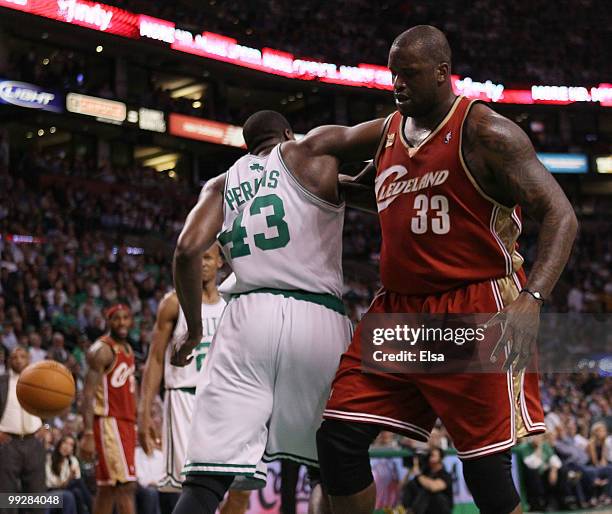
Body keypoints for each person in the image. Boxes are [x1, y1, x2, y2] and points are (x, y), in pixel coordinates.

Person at [274, 25, 578, 514]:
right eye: (393, 75)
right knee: (337, 440)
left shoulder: (487, 132)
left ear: (442, 73)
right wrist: (291, 176)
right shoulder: (390, 131)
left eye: (409, 75)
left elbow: (561, 215)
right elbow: (386, 198)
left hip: (474, 309)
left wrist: (533, 297)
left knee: (486, 478)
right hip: (400, 311)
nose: (398, 85)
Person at [170, 110, 354, 514]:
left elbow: (186, 250)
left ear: (247, 148)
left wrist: (195, 329)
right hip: (317, 317)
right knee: (329, 470)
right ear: (289, 134)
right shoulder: (309, 156)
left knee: (205, 480)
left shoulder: (222, 183)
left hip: (247, 316)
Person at [138, 249, 249, 513]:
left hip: (226, 401)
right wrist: (143, 411)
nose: (201, 264)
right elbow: (154, 359)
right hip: (184, 399)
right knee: (191, 490)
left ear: (221, 261)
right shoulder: (173, 302)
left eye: (207, 258)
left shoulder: (232, 302)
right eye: (196, 258)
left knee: (241, 487)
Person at [79, 304, 137, 514]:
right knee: (125, 486)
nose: (121, 323)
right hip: (109, 422)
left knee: (107, 488)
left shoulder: (128, 349)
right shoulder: (102, 350)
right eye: (116, 318)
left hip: (125, 422)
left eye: (125, 318)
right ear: (108, 321)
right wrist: (87, 432)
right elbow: (87, 394)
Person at [0, 346, 48, 514]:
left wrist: (46, 427)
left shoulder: (38, 382)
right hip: (8, 443)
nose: (18, 360)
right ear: (8, 361)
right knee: (7, 497)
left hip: (34, 441)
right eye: (14, 357)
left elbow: (50, 408)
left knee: (36, 497)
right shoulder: (2, 382)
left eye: (22, 356)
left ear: (29, 360)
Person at [46, 434, 92, 514]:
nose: (67, 447)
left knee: (77, 491)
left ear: (72, 449)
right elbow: (52, 484)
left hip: (67, 488)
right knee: (77, 485)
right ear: (60, 444)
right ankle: (93, 508)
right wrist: (69, 478)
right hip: (51, 490)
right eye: (65, 443)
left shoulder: (72, 460)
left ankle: (92, 508)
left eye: (71, 445)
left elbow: (77, 478)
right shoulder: (49, 458)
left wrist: (71, 478)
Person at [401, 447, 452, 514]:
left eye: (432, 455)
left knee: (427, 491)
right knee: (411, 485)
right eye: (429, 455)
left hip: (441, 509)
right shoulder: (425, 472)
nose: (429, 457)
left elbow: (433, 487)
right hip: (426, 510)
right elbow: (402, 486)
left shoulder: (445, 474)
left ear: (440, 458)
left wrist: (418, 474)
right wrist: (410, 469)